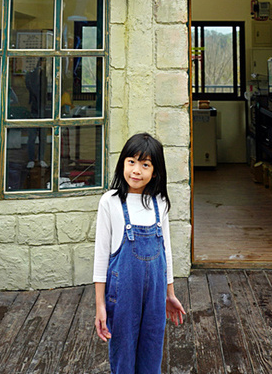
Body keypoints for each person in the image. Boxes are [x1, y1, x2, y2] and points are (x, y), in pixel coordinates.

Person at [93, 132, 186, 373]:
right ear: (122, 162)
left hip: (155, 296)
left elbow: (166, 253)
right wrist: (100, 305)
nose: (136, 170)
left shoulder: (160, 204)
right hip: (122, 296)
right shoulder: (110, 202)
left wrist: (170, 293)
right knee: (123, 355)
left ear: (155, 172)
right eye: (131, 162)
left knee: (152, 352)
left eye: (145, 165)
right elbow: (101, 256)